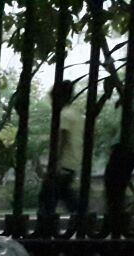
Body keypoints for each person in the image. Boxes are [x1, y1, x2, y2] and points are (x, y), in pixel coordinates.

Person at [39, 79, 83, 215]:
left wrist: (54, 163)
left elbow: (61, 141)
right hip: (71, 163)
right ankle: (83, 220)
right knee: (65, 195)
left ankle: (45, 229)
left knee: (47, 197)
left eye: (52, 96)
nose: (51, 100)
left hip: (62, 164)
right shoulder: (75, 114)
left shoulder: (64, 115)